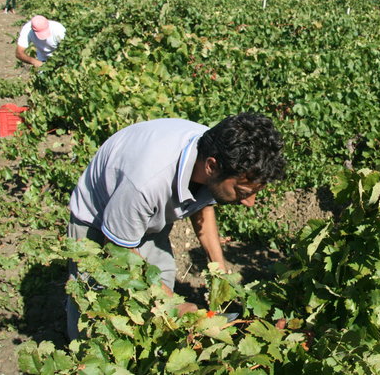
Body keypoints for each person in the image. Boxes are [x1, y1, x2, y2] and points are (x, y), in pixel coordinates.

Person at [66, 113, 287, 340]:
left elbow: (203, 206)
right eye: (243, 193)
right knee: (96, 305)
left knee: (160, 282)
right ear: (211, 166)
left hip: (146, 212)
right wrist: (173, 305)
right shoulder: (145, 184)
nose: (249, 203)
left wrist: (219, 274)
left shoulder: (217, 151)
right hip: (98, 219)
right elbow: (118, 253)